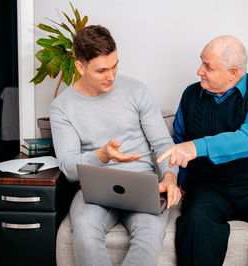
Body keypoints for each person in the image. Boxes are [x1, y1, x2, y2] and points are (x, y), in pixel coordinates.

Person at [157, 35, 248, 266]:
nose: (199, 71)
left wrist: (197, 147)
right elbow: (180, 139)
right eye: (201, 62)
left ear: (233, 73)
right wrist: (179, 181)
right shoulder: (190, 95)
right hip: (208, 187)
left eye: (208, 66)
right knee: (195, 226)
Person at [50, 25, 181, 266]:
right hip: (94, 190)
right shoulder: (62, 107)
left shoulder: (138, 91)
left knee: (148, 237)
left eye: (115, 66)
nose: (111, 76)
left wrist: (171, 178)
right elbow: (68, 167)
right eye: (101, 70)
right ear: (80, 67)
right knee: (86, 234)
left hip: (142, 183)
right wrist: (100, 155)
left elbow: (164, 144)